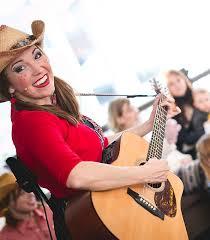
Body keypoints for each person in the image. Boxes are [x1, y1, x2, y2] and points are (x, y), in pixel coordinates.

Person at [0, 20, 180, 239]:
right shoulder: (32, 121)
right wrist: (144, 174)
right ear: (8, 85)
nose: (38, 68)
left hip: (108, 208)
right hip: (90, 217)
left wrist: (149, 124)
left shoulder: (50, 105)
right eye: (20, 67)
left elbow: (101, 145)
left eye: (37, 55)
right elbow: (75, 174)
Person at [108, 98, 192, 171]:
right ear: (119, 119)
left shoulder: (146, 130)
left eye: (134, 108)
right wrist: (169, 141)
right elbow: (151, 162)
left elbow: (172, 152)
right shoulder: (124, 143)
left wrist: (182, 157)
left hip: (178, 165)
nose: (136, 111)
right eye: (130, 110)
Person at [165, 70, 208, 159]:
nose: (177, 85)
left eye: (178, 80)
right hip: (196, 154)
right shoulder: (172, 111)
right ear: (168, 89)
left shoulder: (199, 96)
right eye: (171, 84)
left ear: (184, 80)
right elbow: (184, 141)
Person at [0, 173, 55, 240]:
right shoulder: (6, 237)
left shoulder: (51, 210)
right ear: (8, 202)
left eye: (29, 190)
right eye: (22, 193)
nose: (31, 195)